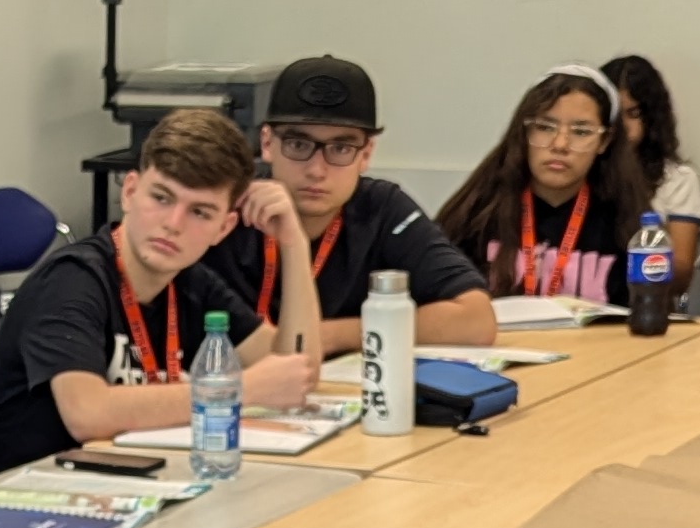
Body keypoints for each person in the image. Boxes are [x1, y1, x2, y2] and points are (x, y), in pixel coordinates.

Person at [0, 109, 316, 470]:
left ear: (224, 228)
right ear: (131, 192)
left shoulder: (188, 281)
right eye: (162, 198)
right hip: (40, 492)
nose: (173, 224)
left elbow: (295, 370)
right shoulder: (72, 281)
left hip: (138, 475)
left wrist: (294, 247)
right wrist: (238, 390)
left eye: (200, 212)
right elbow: (87, 414)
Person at [197, 54, 492, 355]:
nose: (316, 169)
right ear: (267, 143)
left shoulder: (381, 207)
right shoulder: (223, 206)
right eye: (299, 145)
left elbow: (475, 321)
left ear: (366, 154)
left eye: (340, 148)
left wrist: (326, 335)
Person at [430, 67, 648, 305]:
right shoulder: (476, 214)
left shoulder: (626, 224)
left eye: (581, 132)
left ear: (604, 141)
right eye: (545, 127)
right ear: (525, 132)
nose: (560, 144)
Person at [602, 47, 700, 238]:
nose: (622, 126)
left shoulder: (678, 179)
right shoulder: (581, 173)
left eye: (633, 114)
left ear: (652, 116)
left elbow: (681, 266)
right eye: (615, 114)